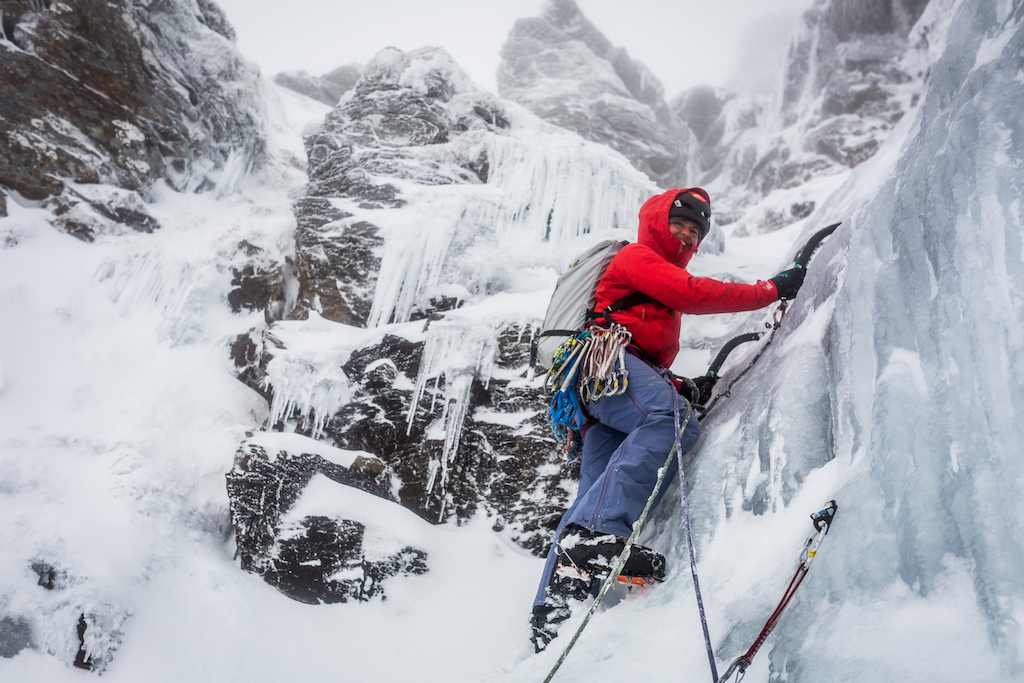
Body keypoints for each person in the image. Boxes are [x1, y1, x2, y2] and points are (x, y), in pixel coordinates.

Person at [530, 187, 805, 652]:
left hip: (603, 385)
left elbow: (641, 348)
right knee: (671, 419)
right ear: (658, 221)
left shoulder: (647, 282)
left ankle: (555, 608)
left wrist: (678, 383)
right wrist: (772, 290)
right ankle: (598, 536)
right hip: (606, 369)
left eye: (696, 230)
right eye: (680, 222)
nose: (687, 234)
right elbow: (692, 292)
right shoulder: (637, 257)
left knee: (595, 486)